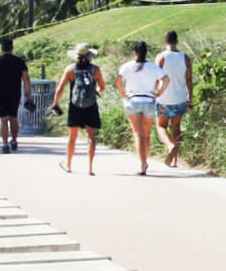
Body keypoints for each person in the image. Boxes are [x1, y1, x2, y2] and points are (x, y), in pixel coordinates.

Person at [117, 42, 170, 175]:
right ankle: (145, 160)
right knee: (146, 135)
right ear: (146, 53)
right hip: (149, 101)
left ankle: (142, 164)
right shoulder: (153, 67)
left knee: (137, 133)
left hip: (133, 100)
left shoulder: (127, 66)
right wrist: (159, 93)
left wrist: (123, 93)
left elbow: (118, 80)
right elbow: (166, 79)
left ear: (134, 53)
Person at [58, 46, 109, 175]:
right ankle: (90, 168)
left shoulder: (70, 70)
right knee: (91, 137)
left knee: (72, 137)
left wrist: (55, 103)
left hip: (75, 106)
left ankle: (69, 165)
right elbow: (102, 87)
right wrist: (94, 92)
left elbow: (60, 89)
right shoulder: (95, 69)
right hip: (91, 105)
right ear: (89, 56)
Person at [156, 30, 193, 167]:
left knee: (161, 126)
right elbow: (189, 80)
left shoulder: (161, 57)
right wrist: (190, 97)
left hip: (164, 98)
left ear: (165, 42)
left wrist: (154, 93)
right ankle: (175, 160)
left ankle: (170, 146)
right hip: (180, 98)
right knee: (176, 128)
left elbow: (156, 77)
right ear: (177, 41)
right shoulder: (185, 58)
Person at [0, 40, 30, 153]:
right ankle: (14, 140)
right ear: (12, 48)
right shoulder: (19, 62)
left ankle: (5, 144)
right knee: (13, 117)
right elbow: (26, 79)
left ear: (2, 48)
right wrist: (29, 94)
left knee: (4, 119)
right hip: (15, 93)